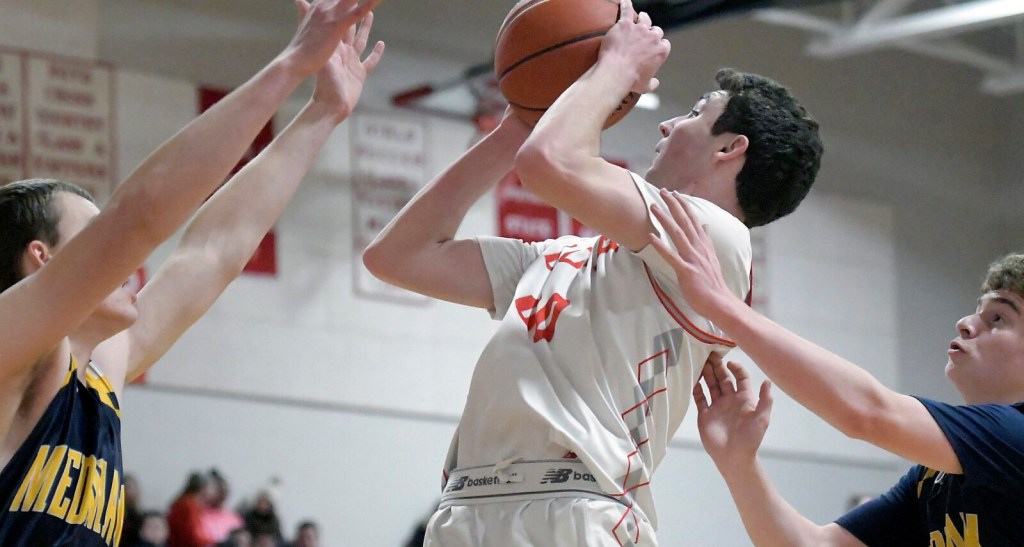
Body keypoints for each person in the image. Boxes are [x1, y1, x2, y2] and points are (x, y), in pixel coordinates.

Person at [362, 0, 822, 543]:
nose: (668, 122)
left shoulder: (719, 239)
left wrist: (617, 66)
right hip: (466, 509)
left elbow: (550, 164)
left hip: (579, 509)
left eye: (694, 114)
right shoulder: (567, 255)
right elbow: (397, 257)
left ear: (730, 147)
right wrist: (517, 126)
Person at [0, 1, 383, 544]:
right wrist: (290, 65)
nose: (123, 261)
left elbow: (215, 249)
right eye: (92, 235)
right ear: (42, 258)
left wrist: (322, 113)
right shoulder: (8, 354)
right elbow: (136, 219)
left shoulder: (99, 371)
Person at [649, 192, 1024, 545]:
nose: (965, 323)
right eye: (976, 311)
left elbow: (868, 412)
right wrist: (738, 463)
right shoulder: (936, 475)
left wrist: (721, 303)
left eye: (998, 318)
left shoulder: (1015, 436)